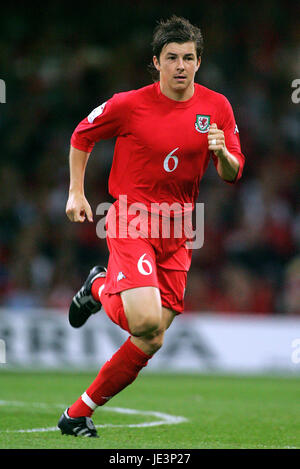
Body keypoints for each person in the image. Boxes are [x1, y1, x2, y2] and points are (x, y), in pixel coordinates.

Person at [58, 15, 245, 437]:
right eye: (172, 58)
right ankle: (101, 287)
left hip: (181, 230)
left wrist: (223, 155)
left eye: (189, 58)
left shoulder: (217, 107)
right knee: (144, 321)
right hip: (131, 219)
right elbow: (82, 135)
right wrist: (76, 192)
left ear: (199, 62)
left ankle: (76, 413)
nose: (181, 65)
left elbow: (233, 173)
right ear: (156, 62)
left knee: (152, 337)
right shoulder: (129, 104)